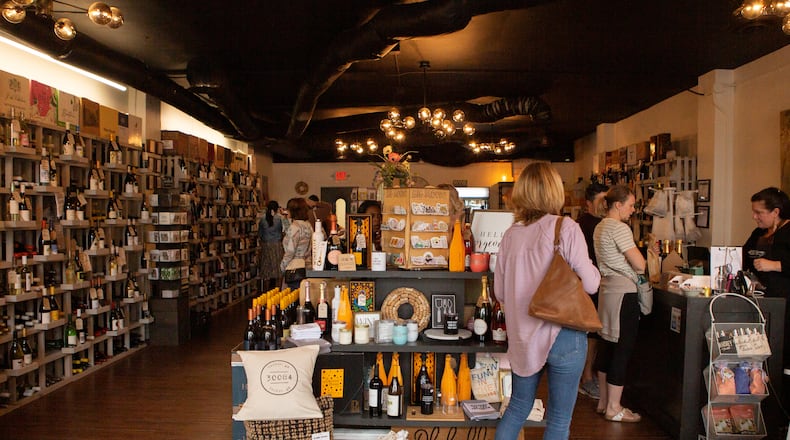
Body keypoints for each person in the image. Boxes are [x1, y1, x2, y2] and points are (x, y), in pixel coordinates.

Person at [494, 162, 600, 440]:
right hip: (564, 334)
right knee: (559, 419)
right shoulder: (566, 228)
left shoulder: (510, 235)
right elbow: (590, 284)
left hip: (523, 337)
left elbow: (500, 293)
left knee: (517, 408)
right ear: (555, 191)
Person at [593, 185, 646, 423]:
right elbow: (640, 265)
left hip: (606, 291)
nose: (633, 210)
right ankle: (615, 407)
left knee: (607, 346)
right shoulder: (620, 228)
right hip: (624, 292)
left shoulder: (600, 227)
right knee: (622, 349)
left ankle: (604, 402)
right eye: (631, 205)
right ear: (618, 205)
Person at [742, 187, 790, 401]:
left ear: (776, 212)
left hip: (785, 305)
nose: (755, 217)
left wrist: (776, 265)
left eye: (759, 212)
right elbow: (744, 256)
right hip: (762, 303)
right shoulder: (758, 234)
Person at [576, 181, 609, 400]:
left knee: (593, 333)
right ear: (589, 203)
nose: (605, 205)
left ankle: (587, 376)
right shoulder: (588, 224)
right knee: (591, 334)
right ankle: (587, 377)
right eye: (601, 201)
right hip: (589, 284)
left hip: (593, 282)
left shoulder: (596, 223)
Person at [280, 197, 313, 290]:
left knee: (291, 298)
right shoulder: (308, 225)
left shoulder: (295, 227)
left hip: (294, 269)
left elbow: (290, 251)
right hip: (307, 266)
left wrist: (283, 266)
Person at [258, 200, 285, 291]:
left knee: (266, 269)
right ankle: (278, 292)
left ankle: (266, 292)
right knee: (278, 269)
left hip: (266, 246)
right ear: (277, 209)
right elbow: (283, 232)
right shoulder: (279, 219)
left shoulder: (262, 219)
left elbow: (260, 234)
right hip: (277, 246)